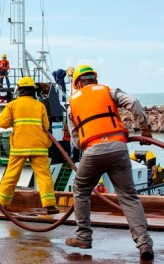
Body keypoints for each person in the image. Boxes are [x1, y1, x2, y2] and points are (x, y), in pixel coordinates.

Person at [65, 64, 154, 261]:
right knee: (129, 197)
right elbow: (134, 103)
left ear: (78, 83)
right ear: (94, 79)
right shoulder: (109, 91)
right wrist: (144, 128)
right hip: (119, 149)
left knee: (80, 189)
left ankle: (83, 237)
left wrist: (91, 142)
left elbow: (76, 140)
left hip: (93, 151)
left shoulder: (72, 103)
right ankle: (144, 244)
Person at [0, 76, 59, 214]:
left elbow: (3, 123)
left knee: (11, 175)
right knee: (44, 176)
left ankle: (2, 203)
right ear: (33, 91)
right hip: (39, 146)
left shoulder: (12, 105)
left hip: (20, 146)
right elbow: (46, 126)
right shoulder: (40, 106)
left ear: (19, 90)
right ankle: (49, 205)